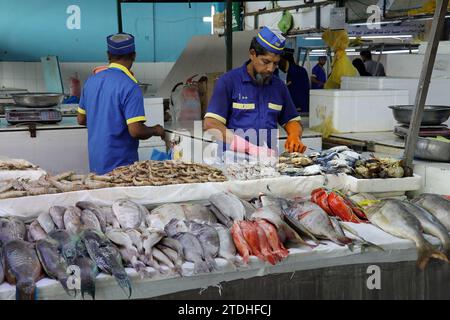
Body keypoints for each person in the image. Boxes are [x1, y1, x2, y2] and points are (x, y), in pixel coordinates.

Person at [203, 26, 306, 156]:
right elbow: (211, 123)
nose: (270, 69)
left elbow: (292, 120)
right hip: (232, 162)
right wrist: (248, 148)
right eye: (266, 62)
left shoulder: (279, 87)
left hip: (267, 163)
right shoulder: (228, 82)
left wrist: (294, 135)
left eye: (275, 64)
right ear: (252, 54)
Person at [77, 33, 165, 175]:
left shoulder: (91, 81)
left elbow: (81, 119)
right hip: (121, 169)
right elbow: (136, 130)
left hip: (96, 165)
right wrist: (156, 130)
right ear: (134, 55)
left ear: (108, 55)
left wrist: (102, 122)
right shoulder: (130, 86)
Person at [278, 48, 311, 113]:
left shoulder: (296, 72)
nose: (278, 65)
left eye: (279, 62)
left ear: (285, 60)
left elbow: (297, 92)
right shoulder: (295, 71)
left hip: (299, 108)